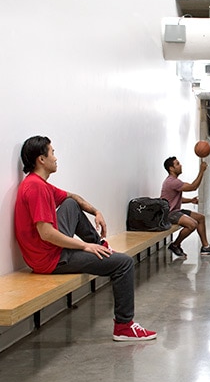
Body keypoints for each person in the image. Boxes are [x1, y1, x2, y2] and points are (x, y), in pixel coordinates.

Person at [14, 135, 157, 342]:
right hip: (49, 259)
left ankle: (101, 246)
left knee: (72, 204)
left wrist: (96, 211)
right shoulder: (35, 188)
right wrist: (85, 246)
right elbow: (46, 233)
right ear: (41, 159)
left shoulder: (38, 183)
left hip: (48, 249)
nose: (56, 158)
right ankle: (124, 327)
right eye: (52, 153)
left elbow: (72, 197)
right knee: (124, 264)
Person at [160, 156, 210, 258]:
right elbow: (193, 187)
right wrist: (202, 171)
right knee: (192, 224)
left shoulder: (173, 181)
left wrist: (191, 200)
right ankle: (175, 245)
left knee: (200, 218)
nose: (180, 166)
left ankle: (205, 247)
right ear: (171, 168)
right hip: (170, 214)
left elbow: (175, 199)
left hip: (176, 211)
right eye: (177, 164)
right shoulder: (172, 182)